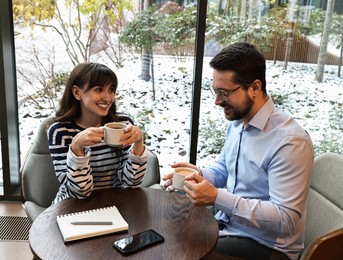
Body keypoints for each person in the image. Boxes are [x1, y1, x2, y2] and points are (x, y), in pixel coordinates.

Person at [163, 43, 314, 260]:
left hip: (267, 246)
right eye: (215, 91)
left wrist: (216, 197)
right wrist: (200, 175)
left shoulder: (289, 142)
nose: (216, 101)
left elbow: (286, 218)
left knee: (181, 253)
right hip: (231, 226)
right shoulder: (238, 122)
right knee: (172, 233)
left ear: (254, 88)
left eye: (224, 92)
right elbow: (225, 168)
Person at [48, 62, 147, 204]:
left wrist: (138, 144)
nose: (108, 98)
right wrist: (76, 148)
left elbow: (131, 182)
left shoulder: (123, 125)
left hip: (112, 204)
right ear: (77, 93)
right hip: (71, 206)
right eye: (99, 89)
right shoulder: (60, 132)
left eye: (111, 89)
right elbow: (80, 192)